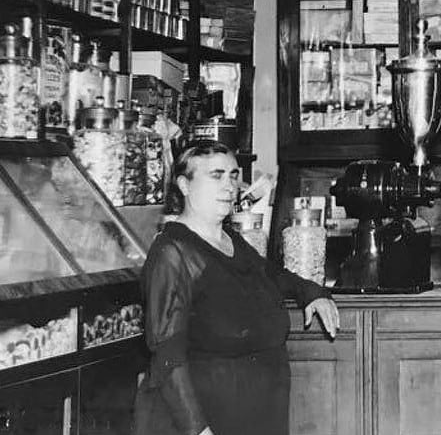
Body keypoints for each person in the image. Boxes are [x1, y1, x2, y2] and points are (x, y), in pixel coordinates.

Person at [134, 141, 340, 435]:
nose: (229, 186)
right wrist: (198, 429)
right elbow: (168, 357)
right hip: (208, 419)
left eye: (233, 175)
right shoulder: (173, 253)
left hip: (257, 414)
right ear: (184, 185)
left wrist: (313, 293)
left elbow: (273, 275)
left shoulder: (232, 241)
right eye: (216, 176)